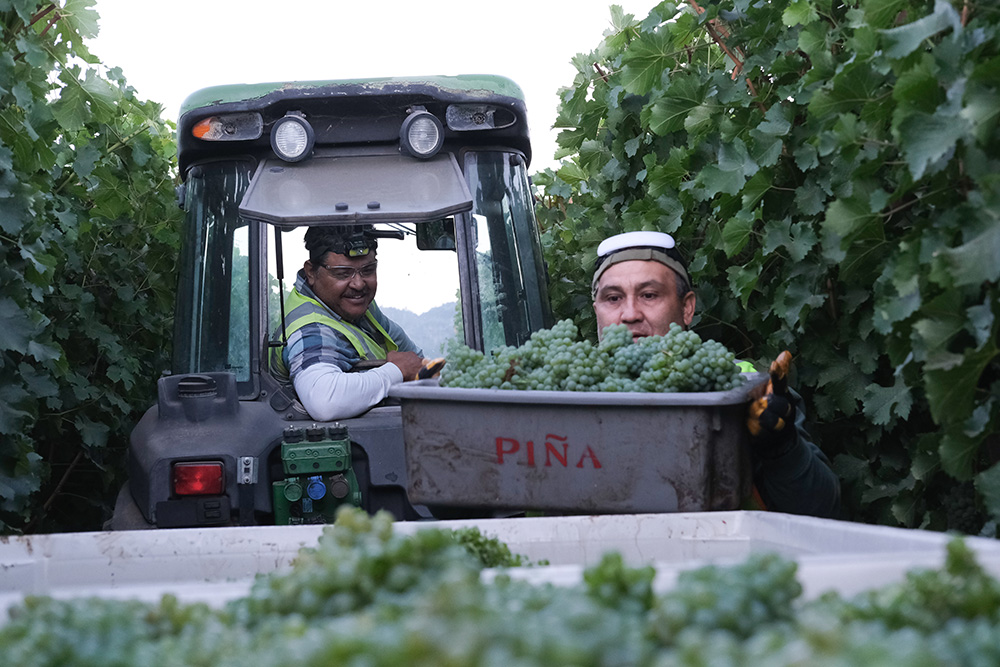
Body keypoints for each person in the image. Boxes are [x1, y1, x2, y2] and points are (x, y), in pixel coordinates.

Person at [591, 231, 841, 518]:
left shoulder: (747, 386)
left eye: (649, 295)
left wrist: (782, 450)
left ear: (687, 308)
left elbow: (823, 511)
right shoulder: (565, 392)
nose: (630, 314)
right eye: (613, 298)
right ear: (596, 310)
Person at [269, 225, 426, 421]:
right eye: (343, 273)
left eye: (368, 270)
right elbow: (324, 401)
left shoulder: (356, 307)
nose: (358, 284)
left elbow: (414, 358)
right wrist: (397, 371)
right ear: (311, 272)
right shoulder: (311, 329)